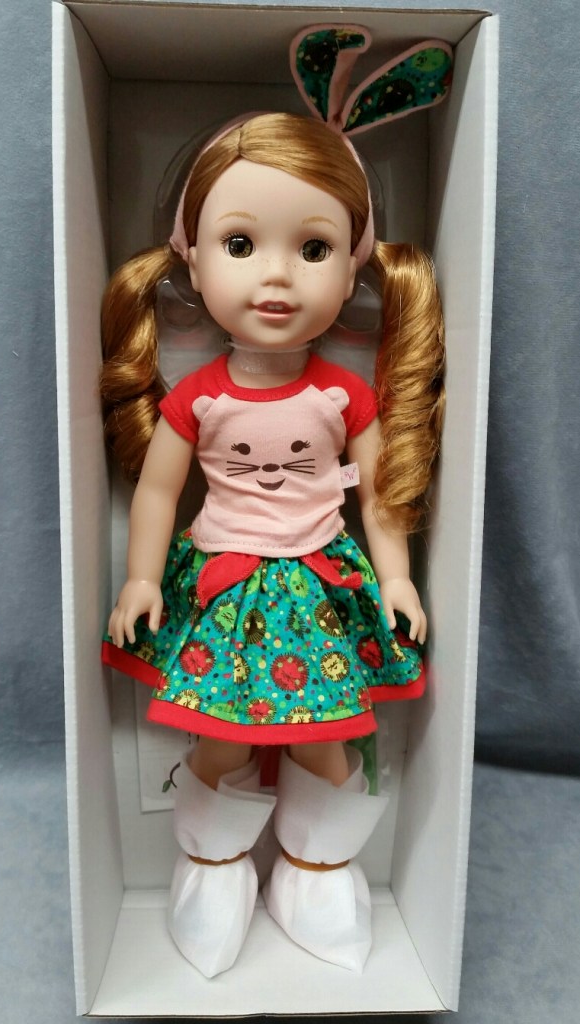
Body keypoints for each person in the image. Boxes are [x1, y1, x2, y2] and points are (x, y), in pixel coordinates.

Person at [100, 27, 449, 976]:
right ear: (190, 258)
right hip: (223, 586)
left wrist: (396, 579)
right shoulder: (197, 396)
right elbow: (160, 490)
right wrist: (140, 579)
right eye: (241, 243)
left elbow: (379, 497)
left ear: (357, 263)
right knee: (218, 740)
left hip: (318, 589)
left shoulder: (343, 397)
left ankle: (316, 869)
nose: (277, 275)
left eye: (314, 247)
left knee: (327, 741)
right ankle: (212, 869)